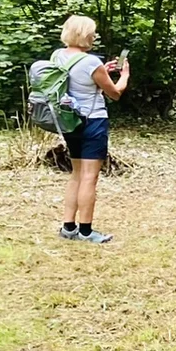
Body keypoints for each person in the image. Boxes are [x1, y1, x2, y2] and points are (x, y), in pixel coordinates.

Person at [52, 15, 128, 244]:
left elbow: (77, 80)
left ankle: (68, 227)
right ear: (86, 35)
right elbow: (114, 93)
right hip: (92, 123)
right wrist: (124, 76)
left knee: (76, 174)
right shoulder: (90, 62)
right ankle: (86, 231)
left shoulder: (57, 56)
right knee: (89, 177)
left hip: (69, 121)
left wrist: (101, 71)